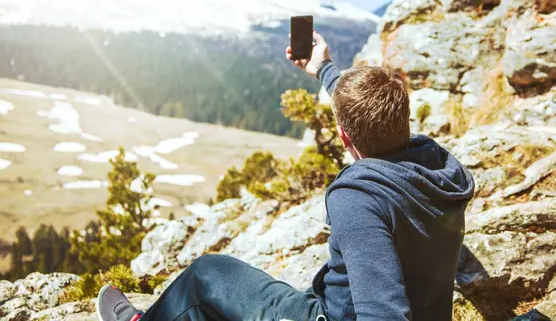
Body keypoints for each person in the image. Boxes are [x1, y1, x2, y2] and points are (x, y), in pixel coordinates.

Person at [96, 31, 474, 321]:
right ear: (402, 119)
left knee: (207, 275)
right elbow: (365, 113)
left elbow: (384, 312)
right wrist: (324, 69)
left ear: (343, 136)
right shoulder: (436, 165)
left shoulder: (359, 199)